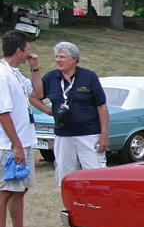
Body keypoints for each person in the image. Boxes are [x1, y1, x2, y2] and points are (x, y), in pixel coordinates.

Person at [35, 41, 110, 184]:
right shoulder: (51, 77)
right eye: (56, 57)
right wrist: (49, 111)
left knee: (95, 175)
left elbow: (101, 106)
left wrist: (104, 135)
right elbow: (34, 97)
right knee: (66, 176)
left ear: (74, 59)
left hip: (89, 135)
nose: (58, 60)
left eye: (62, 57)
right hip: (63, 136)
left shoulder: (89, 77)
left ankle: (94, 204)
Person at [0, 30, 43, 227]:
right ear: (19, 51)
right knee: (4, 191)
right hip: (7, 144)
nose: (29, 52)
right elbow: (3, 114)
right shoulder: (1, 75)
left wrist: (34, 68)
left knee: (20, 190)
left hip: (22, 141)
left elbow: (38, 93)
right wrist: (16, 146)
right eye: (28, 49)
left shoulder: (15, 73)